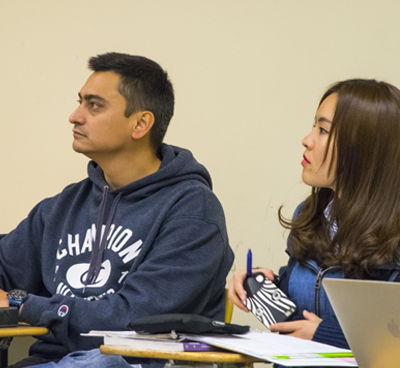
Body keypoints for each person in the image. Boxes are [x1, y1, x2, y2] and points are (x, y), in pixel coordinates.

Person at [0, 52, 234, 367]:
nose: (75, 116)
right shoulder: (63, 206)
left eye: (94, 106)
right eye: (80, 102)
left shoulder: (194, 212)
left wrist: (21, 303)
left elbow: (131, 319)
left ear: (140, 124)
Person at [229, 78, 400, 351]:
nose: (306, 140)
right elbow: (296, 322)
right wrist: (257, 289)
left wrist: (325, 335)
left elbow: (392, 340)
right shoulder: (309, 215)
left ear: (363, 148)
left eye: (322, 130)